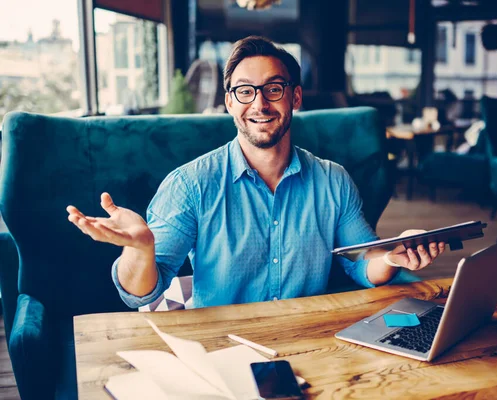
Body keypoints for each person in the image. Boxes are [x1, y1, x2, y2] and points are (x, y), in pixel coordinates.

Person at [66, 36, 445, 309]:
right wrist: (141, 250)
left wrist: (394, 256)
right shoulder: (190, 185)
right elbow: (141, 293)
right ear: (230, 102)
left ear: (295, 98)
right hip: (223, 347)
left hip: (309, 337)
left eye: (273, 89)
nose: (260, 103)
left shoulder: (333, 180)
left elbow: (362, 264)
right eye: (245, 91)